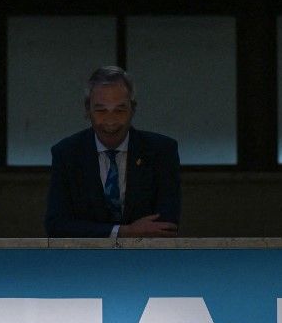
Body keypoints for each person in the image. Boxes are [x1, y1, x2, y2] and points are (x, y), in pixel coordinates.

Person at [44, 66, 180, 237]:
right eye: (101, 110)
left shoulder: (161, 151)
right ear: (88, 110)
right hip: (85, 259)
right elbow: (56, 225)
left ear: (133, 109)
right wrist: (123, 232)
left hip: (145, 259)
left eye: (120, 110)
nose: (110, 121)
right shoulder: (67, 154)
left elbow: (166, 225)